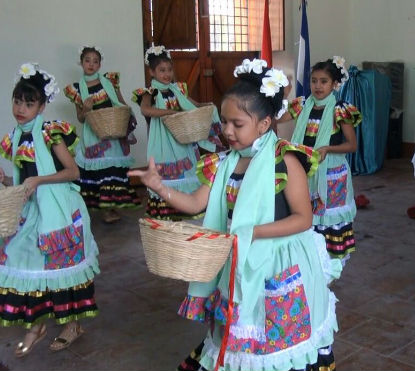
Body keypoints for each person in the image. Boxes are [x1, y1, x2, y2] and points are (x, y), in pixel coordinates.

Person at [130, 58, 341, 371]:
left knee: (273, 337)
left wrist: (250, 232)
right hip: (237, 258)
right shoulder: (223, 163)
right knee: (238, 336)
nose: (227, 131)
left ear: (264, 124)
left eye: (237, 124)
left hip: (276, 262)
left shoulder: (285, 162)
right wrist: (159, 187)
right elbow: (195, 204)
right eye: (225, 122)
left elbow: (303, 218)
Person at [0, 63, 100, 356]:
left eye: (29, 103)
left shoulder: (49, 133)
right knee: (25, 260)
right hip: (31, 210)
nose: (21, 108)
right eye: (18, 101)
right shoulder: (16, 136)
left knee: (63, 269)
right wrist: (6, 180)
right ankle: (38, 326)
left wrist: (40, 180)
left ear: (42, 106)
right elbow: (23, 178)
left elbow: (72, 172)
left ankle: (73, 325)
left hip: (60, 210)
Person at [278, 56, 362, 265]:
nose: (317, 86)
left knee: (328, 218)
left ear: (334, 84)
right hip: (305, 171)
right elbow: (277, 117)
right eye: (314, 80)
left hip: (331, 174)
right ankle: (310, 259)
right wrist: (283, 96)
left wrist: (328, 148)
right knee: (305, 212)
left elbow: (351, 145)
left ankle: (330, 265)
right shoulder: (303, 104)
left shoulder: (339, 109)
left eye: (323, 81)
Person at [132, 45, 224, 221]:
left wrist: (207, 106)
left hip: (181, 138)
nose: (166, 74)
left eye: (169, 70)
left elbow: (193, 105)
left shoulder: (177, 89)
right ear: (151, 72)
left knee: (185, 169)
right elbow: (145, 110)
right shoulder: (150, 92)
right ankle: (168, 209)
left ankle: (186, 206)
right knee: (168, 173)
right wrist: (169, 113)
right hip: (163, 141)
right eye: (161, 70)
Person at [64, 46, 140, 223]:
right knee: (99, 172)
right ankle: (104, 210)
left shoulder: (110, 81)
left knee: (112, 170)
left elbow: (121, 103)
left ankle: (111, 206)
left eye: (95, 61)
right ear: (81, 63)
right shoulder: (76, 89)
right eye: (87, 60)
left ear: (100, 65)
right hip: (94, 137)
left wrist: (127, 118)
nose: (91, 64)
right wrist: (86, 108)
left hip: (113, 134)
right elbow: (81, 118)